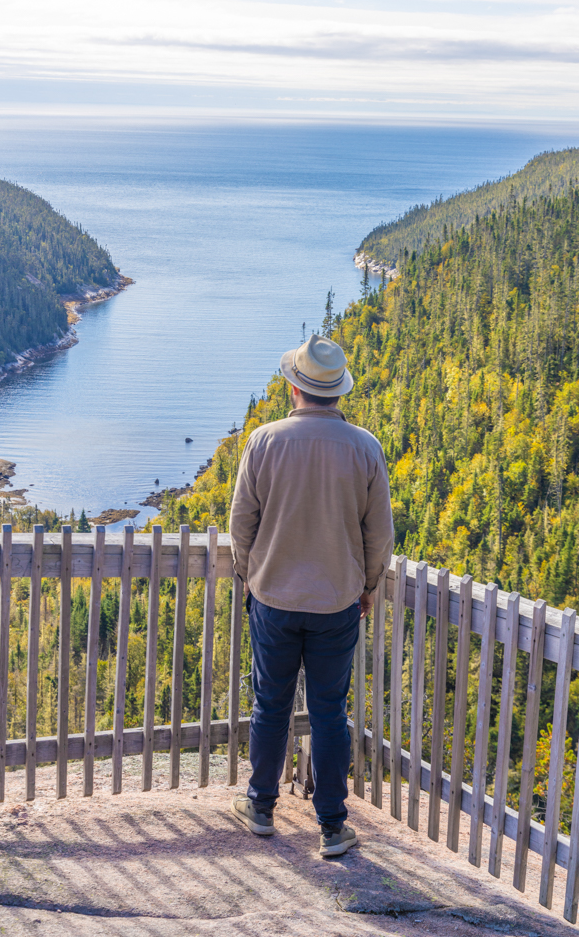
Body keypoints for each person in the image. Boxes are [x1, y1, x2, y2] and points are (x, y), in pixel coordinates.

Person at [229, 333, 394, 856]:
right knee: (329, 712)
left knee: (270, 704)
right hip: (336, 602)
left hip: (273, 598)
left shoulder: (264, 441)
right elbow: (379, 535)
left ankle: (260, 806)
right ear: (338, 391)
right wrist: (367, 588)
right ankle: (332, 826)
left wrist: (250, 576)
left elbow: (241, 523)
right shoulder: (365, 447)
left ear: (294, 387)